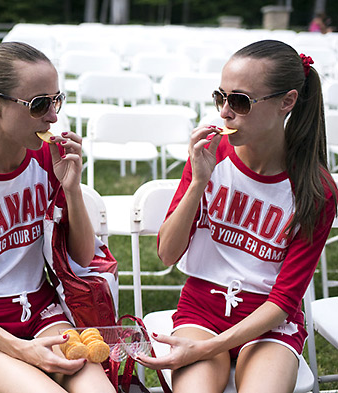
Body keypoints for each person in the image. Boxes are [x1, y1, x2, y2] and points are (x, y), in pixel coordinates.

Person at [138, 39, 337, 393]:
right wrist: (199, 181)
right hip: (201, 309)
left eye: (240, 101)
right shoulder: (210, 156)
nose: (225, 112)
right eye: (221, 97)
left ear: (286, 102)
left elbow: (284, 301)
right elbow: (167, 254)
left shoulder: (315, 189)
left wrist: (209, 348)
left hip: (270, 325)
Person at [0, 42, 115, 393]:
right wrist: (21, 350)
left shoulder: (46, 159)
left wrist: (72, 189)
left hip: (42, 313)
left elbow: (82, 256)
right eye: (39, 105)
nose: (53, 117)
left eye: (56, 100)